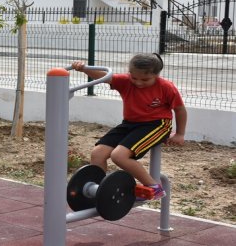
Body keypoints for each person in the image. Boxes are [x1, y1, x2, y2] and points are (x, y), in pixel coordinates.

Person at [71, 53, 187, 200]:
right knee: (97, 154)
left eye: (145, 79)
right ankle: (100, 190)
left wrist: (180, 134)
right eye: (134, 77)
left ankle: (154, 187)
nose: (138, 82)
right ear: (129, 73)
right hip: (130, 124)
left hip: (157, 125)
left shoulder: (166, 87)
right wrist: (84, 69)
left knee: (118, 156)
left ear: (156, 75)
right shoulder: (126, 81)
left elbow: (180, 109)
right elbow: (104, 76)